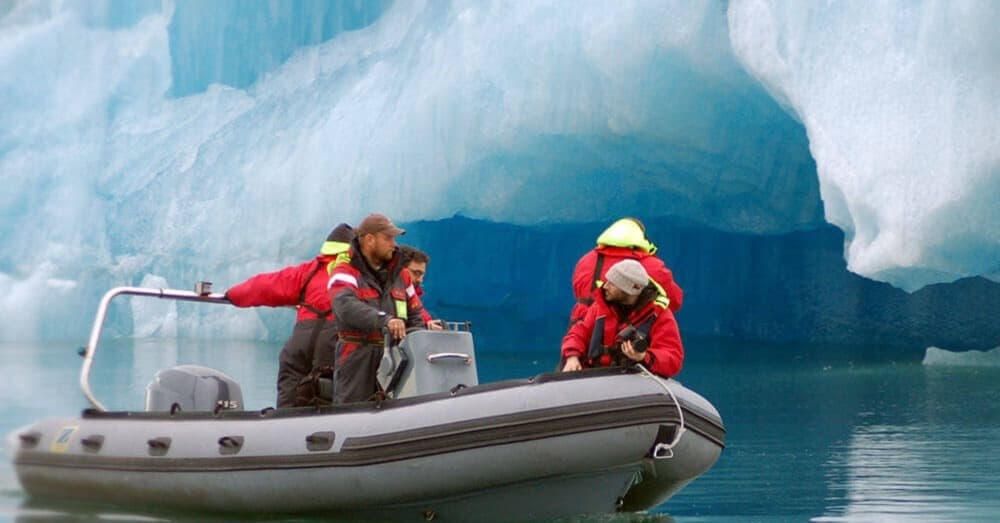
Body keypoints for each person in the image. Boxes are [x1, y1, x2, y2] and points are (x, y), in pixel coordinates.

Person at [225, 223, 354, 408]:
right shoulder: (353, 275)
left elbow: (264, 285)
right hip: (332, 345)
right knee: (326, 399)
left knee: (290, 396)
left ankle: (284, 429)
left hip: (299, 343)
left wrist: (232, 295)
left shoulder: (308, 271)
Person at [327, 213, 426, 403]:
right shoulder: (346, 271)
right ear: (370, 240)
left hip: (396, 360)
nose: (394, 244)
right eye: (388, 238)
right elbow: (345, 306)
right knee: (352, 413)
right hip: (357, 358)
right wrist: (385, 320)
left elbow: (416, 315)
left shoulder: (402, 276)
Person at [561, 259, 683, 378]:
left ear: (628, 290)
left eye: (612, 283)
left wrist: (644, 357)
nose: (605, 286)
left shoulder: (659, 314)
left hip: (635, 383)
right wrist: (572, 356)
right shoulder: (600, 307)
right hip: (596, 378)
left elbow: (672, 358)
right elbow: (578, 333)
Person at [399, 245, 444, 330]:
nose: (420, 280)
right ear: (400, 268)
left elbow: (422, 318)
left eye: (422, 275)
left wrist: (428, 325)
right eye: (416, 273)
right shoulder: (387, 294)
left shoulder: (413, 296)